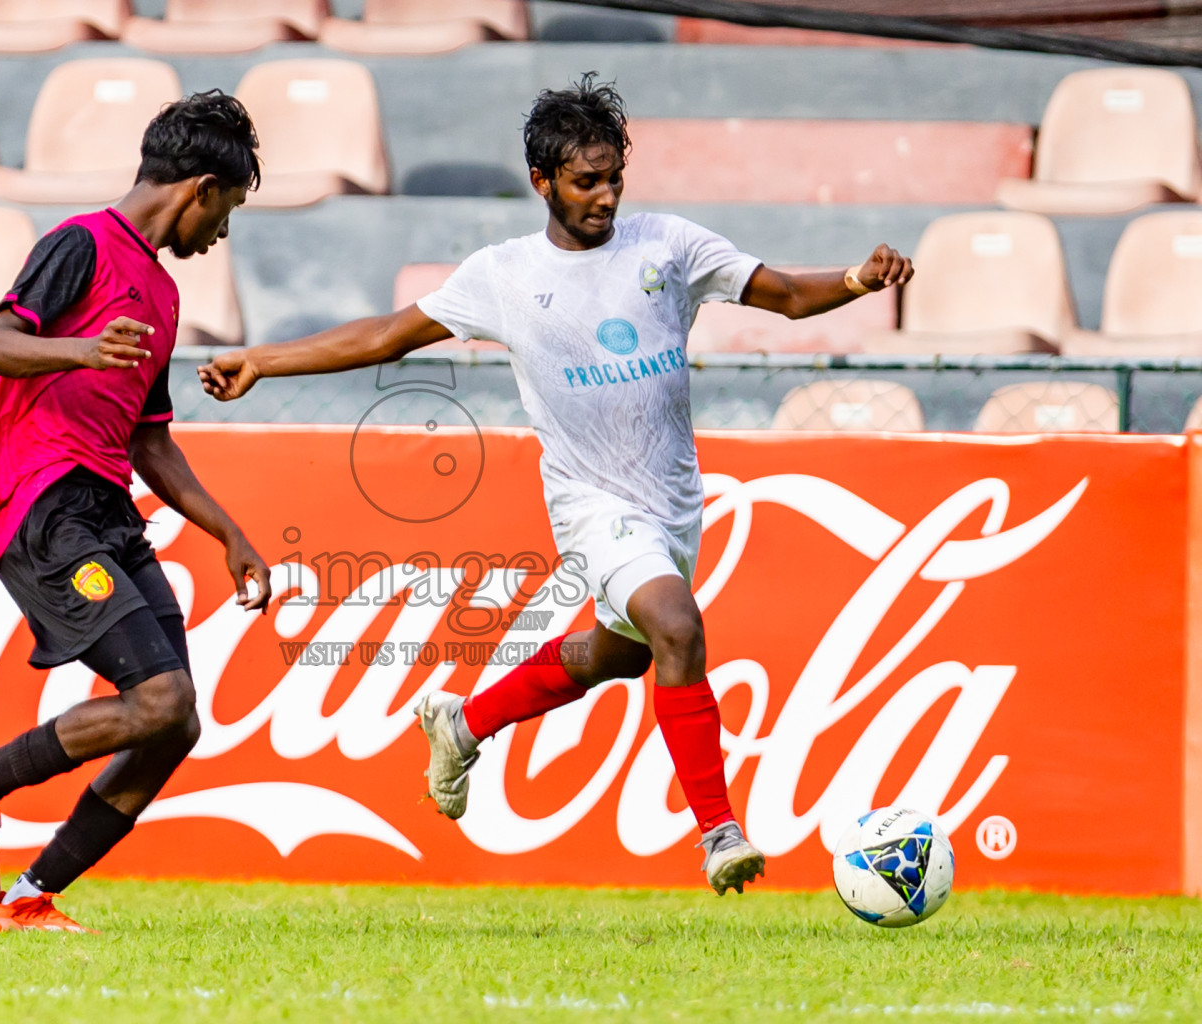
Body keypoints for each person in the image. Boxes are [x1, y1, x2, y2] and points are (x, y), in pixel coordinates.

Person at [197, 75, 913, 895]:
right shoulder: (504, 274)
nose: (605, 196)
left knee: (617, 656)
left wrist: (858, 278)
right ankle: (719, 832)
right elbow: (388, 335)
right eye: (585, 181)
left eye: (613, 177)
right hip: (592, 504)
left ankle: (462, 723)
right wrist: (262, 359)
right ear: (543, 181)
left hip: (674, 504)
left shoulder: (667, 247)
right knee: (676, 628)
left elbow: (784, 295)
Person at [0, 91, 273, 933]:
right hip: (43, 501)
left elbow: (151, 443)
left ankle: (29, 899)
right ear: (198, 188)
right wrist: (79, 346)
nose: (222, 232)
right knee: (154, 699)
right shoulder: (79, 244)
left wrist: (229, 532)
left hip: (107, 503)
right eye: (226, 209)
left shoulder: (160, 294)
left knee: (175, 719)